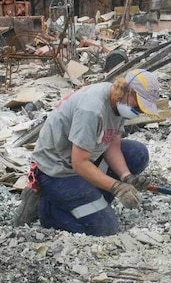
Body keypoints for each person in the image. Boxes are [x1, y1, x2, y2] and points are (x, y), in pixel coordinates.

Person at [18, 69, 161, 236]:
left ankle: (92, 203)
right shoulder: (92, 109)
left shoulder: (118, 101)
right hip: (57, 171)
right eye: (139, 105)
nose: (140, 111)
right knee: (105, 229)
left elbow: (111, 145)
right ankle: (47, 209)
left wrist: (126, 177)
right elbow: (80, 164)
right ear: (127, 90)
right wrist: (117, 187)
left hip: (83, 158)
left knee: (137, 153)